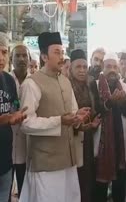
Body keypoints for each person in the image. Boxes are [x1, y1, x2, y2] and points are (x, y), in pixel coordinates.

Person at [19, 32, 90, 202]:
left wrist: (78, 118)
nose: (61, 57)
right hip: (46, 163)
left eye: (62, 52)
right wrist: (59, 121)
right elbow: (26, 123)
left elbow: (71, 113)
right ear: (44, 56)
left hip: (69, 160)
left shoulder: (65, 81)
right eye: (56, 52)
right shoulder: (31, 83)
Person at [92, 52, 126, 202]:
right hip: (102, 144)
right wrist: (110, 103)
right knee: (100, 188)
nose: (112, 70)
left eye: (115, 66)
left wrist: (122, 103)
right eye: (109, 66)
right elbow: (94, 110)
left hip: (121, 145)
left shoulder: (125, 87)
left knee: (119, 187)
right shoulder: (95, 85)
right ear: (103, 67)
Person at [69, 49, 101, 202]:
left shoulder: (91, 85)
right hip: (71, 140)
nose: (82, 71)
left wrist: (92, 124)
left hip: (87, 138)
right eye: (78, 67)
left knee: (87, 178)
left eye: (84, 67)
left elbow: (96, 109)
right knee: (74, 179)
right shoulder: (65, 86)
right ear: (71, 68)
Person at [0, 32, 27, 202]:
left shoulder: (8, 80)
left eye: (3, 52)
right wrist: (6, 119)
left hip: (5, 159)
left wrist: (18, 114)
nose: (1, 57)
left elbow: (14, 106)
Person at [9, 45, 31, 200]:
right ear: (11, 59)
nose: (21, 59)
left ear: (29, 60)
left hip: (27, 148)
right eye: (17, 56)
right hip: (6, 148)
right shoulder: (4, 80)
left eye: (25, 56)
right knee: (5, 190)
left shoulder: (35, 83)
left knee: (26, 191)